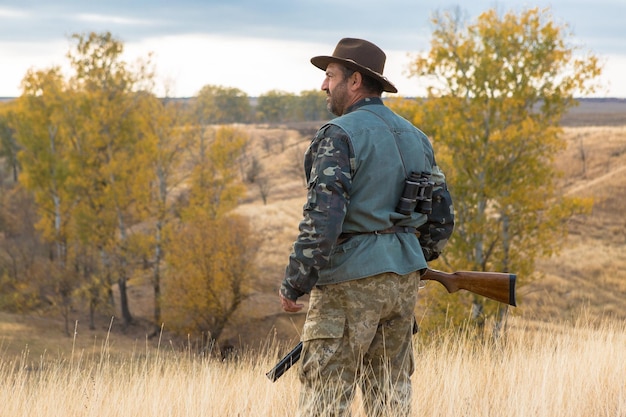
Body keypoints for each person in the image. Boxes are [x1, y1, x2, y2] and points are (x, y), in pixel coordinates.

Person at [279, 38, 445, 417]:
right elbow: (441, 217)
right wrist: (414, 261)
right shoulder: (417, 137)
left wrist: (295, 283)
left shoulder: (338, 134)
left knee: (325, 399)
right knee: (390, 397)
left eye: (330, 75)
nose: (323, 85)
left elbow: (323, 219)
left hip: (347, 284)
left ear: (354, 81)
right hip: (402, 284)